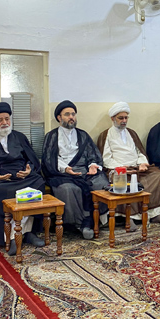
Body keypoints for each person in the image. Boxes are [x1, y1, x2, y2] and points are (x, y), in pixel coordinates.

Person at [0, 102, 46, 254]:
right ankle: (9, 236)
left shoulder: (19, 137)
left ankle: (26, 232)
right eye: (0, 120)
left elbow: (31, 160)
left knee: (38, 184)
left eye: (7, 119)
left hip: (22, 177)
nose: (4, 122)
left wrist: (29, 170)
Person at [42, 100, 109, 239]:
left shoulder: (83, 135)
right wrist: (66, 168)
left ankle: (98, 219)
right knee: (68, 189)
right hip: (62, 173)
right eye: (67, 114)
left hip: (84, 171)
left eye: (73, 114)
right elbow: (49, 159)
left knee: (100, 183)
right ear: (59, 118)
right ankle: (81, 223)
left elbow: (93, 154)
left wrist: (92, 166)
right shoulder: (52, 136)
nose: (71, 117)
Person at [97, 102, 160, 225]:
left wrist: (142, 163)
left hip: (136, 166)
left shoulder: (131, 133)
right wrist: (122, 168)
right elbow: (106, 158)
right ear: (113, 119)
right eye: (120, 118)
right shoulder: (106, 135)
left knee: (157, 175)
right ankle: (129, 217)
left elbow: (140, 152)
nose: (124, 121)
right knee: (123, 180)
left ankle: (153, 213)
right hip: (118, 168)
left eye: (126, 118)